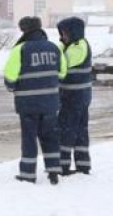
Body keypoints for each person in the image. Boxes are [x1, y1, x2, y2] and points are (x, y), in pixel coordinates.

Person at [4, 16, 67, 185]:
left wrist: (12, 86)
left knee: (29, 139)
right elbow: (62, 73)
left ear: (25, 30)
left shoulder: (20, 49)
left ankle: (28, 174)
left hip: (27, 105)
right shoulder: (54, 48)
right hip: (50, 104)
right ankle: (54, 171)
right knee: (50, 137)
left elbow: (10, 76)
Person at [57, 17, 92, 175]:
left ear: (74, 32)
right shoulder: (75, 45)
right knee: (79, 131)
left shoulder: (79, 46)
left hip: (74, 97)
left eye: (65, 33)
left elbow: (63, 62)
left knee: (66, 130)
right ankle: (83, 165)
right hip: (77, 96)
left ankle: (62, 166)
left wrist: (58, 48)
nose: (63, 36)